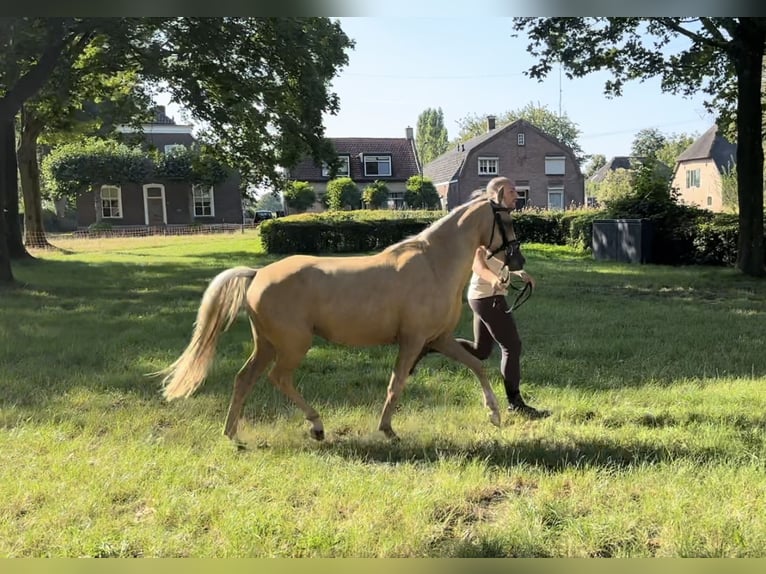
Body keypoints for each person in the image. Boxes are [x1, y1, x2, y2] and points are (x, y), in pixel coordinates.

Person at [412, 176, 549, 419]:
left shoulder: (502, 219)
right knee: (512, 346)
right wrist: (493, 279)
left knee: (481, 350)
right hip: (487, 295)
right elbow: (477, 264)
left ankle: (429, 345)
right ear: (497, 193)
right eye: (512, 191)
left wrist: (520, 272)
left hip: (486, 295)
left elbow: (506, 256)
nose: (516, 195)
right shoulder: (482, 222)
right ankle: (515, 403)